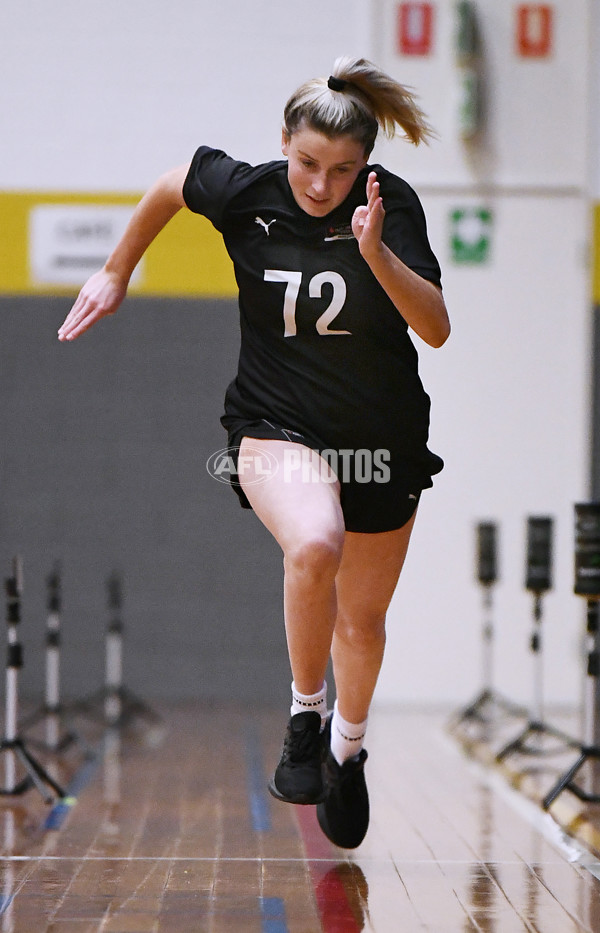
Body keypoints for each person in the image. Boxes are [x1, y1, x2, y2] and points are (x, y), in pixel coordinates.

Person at [58, 56, 450, 849]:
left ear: (365, 166)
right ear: (284, 144)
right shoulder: (250, 192)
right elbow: (174, 182)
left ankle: (348, 748)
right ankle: (306, 719)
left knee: (363, 624)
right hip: (276, 423)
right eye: (307, 163)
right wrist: (115, 269)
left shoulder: (388, 206)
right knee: (313, 541)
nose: (320, 185)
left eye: (342, 171)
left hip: (382, 438)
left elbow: (436, 327)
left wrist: (376, 253)